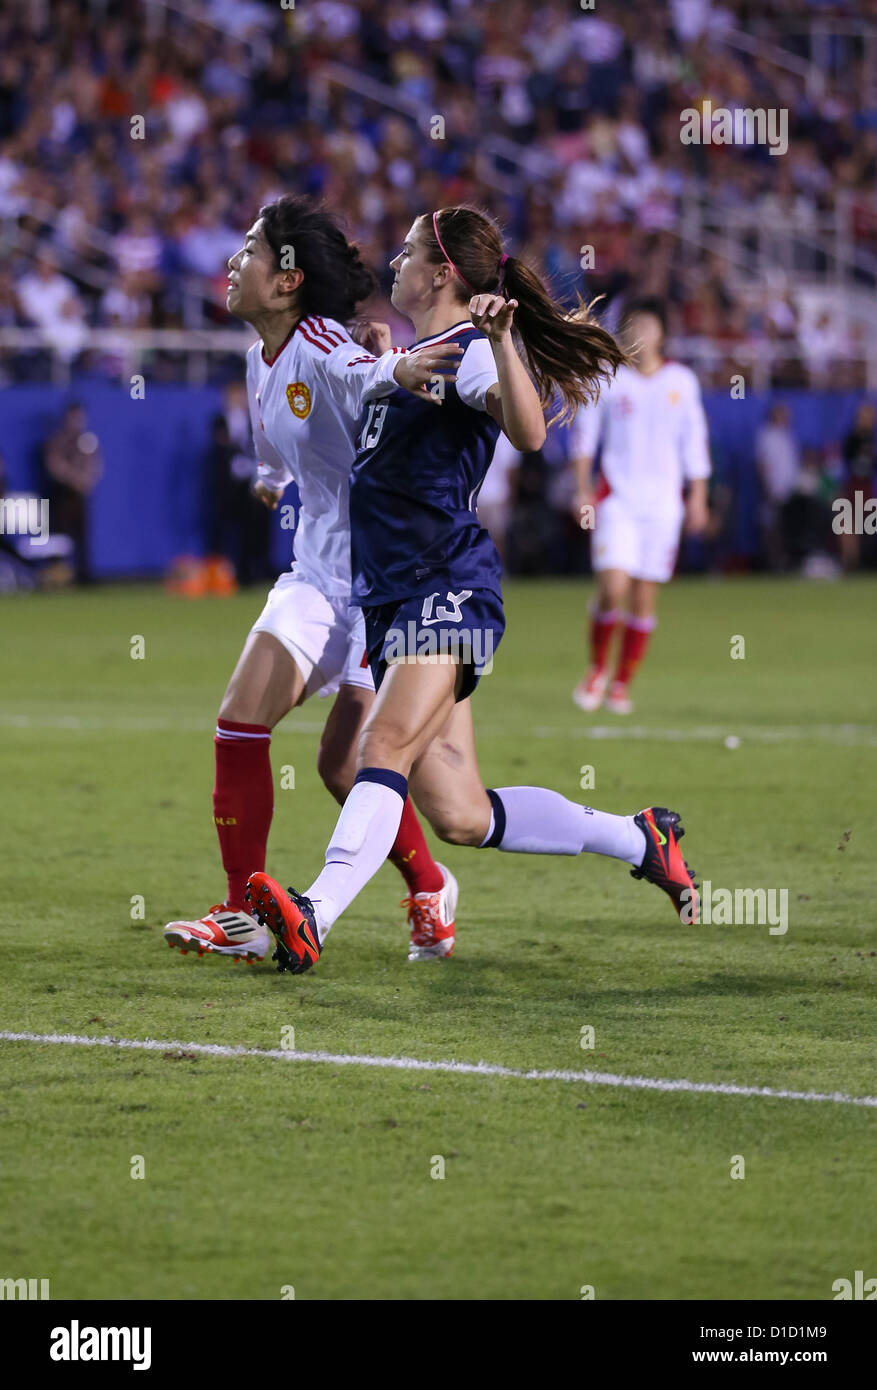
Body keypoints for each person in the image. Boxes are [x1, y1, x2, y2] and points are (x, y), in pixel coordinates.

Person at [245, 207, 699, 975]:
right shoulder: (421, 352)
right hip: (396, 599)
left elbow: (527, 433)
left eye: (408, 253)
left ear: (441, 273)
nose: (393, 262)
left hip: (442, 589)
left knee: (375, 747)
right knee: (459, 813)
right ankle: (639, 837)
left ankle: (314, 913)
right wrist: (383, 364)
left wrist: (498, 342)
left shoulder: (473, 350)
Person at [163, 196, 463, 965]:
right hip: (316, 572)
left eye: (251, 250)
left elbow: (363, 374)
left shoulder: (322, 342)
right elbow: (274, 441)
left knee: (343, 766)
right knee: (238, 717)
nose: (234, 262)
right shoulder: (257, 352)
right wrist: (271, 479)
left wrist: (401, 363)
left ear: (289, 279)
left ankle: (431, 887)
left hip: (384, 585)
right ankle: (242, 915)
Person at [569, 298, 711, 714]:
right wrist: (582, 490)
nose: (640, 334)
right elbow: (584, 438)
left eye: (648, 325)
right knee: (613, 587)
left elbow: (694, 441)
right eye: (632, 326)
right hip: (616, 501)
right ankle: (596, 668)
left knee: (644, 598)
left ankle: (621, 684)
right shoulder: (608, 377)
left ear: (663, 333)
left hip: (663, 506)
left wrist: (698, 494)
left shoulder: (681, 382)